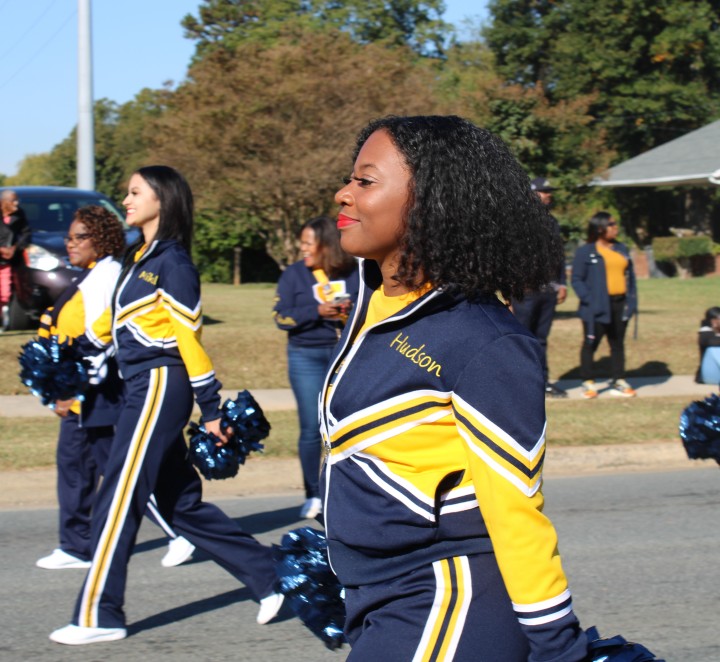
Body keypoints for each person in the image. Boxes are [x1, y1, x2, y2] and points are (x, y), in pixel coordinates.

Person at [321, 116, 588, 660]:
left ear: (430, 201)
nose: (343, 193)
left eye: (365, 181)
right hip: (380, 595)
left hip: (447, 602)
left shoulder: (485, 341)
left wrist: (558, 647)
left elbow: (516, 509)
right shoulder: (376, 299)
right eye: (351, 178)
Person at [49, 166, 283, 646]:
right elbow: (112, 331)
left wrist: (211, 407)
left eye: (136, 192)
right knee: (176, 502)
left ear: (164, 198)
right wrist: (68, 360)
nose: (127, 198)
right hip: (137, 384)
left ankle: (100, 615)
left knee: (118, 495)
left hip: (161, 383)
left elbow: (188, 342)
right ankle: (271, 577)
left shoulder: (173, 263)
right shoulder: (138, 257)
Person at [34, 206, 195, 571]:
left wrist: (73, 389)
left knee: (118, 472)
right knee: (75, 466)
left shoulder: (106, 276)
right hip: (83, 389)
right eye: (68, 238)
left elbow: (104, 339)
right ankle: (76, 545)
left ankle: (180, 529)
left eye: (79, 237)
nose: (69, 244)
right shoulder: (87, 275)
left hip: (100, 390)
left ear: (101, 239)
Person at [273, 216, 358, 519]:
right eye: (302, 243)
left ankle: (349, 492)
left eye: (309, 243)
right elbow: (280, 317)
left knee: (346, 426)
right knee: (311, 428)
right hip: (305, 357)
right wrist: (316, 311)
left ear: (327, 244)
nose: (303, 249)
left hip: (343, 356)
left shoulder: (355, 271)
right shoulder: (294, 275)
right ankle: (313, 494)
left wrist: (350, 312)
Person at [511, 177, 568, 398]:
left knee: (540, 339)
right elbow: (511, 257)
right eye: (544, 191)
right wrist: (510, 291)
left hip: (548, 290)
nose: (549, 195)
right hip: (525, 290)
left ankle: (542, 382)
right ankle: (518, 384)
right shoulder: (519, 222)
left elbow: (559, 256)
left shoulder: (552, 223)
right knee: (521, 338)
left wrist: (562, 283)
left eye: (549, 191)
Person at [571, 211, 638, 399]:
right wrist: (589, 299)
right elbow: (576, 279)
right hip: (596, 306)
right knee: (591, 343)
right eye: (611, 224)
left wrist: (631, 302)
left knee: (617, 344)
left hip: (619, 303)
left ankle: (619, 379)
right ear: (600, 228)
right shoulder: (586, 251)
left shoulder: (621, 249)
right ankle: (588, 381)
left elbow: (630, 278)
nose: (615, 227)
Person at [0, 189, 31, 329]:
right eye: (14, 200)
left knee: (5, 294)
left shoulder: (19, 214)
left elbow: (26, 234)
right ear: (5, 202)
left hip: (7, 261)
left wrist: (15, 248)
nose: (17, 203)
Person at [696, 306, 720, 385]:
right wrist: (717, 331)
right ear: (713, 321)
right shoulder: (705, 332)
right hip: (709, 372)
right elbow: (712, 344)